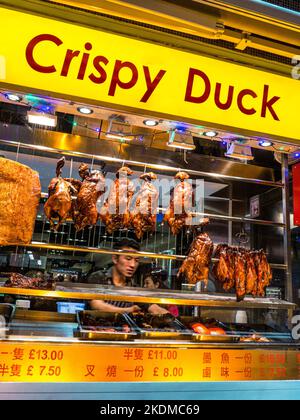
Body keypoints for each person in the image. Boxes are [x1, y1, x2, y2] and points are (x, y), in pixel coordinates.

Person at [88, 238, 169, 314]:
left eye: (136, 260)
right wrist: (128, 310)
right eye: (128, 258)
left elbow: (152, 307)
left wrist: (170, 317)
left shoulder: (133, 287)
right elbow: (96, 305)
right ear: (115, 259)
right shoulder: (98, 277)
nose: (133, 265)